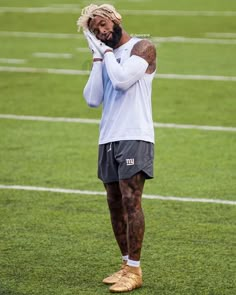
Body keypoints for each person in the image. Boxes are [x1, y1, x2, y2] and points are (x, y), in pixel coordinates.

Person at [77, 3, 156, 293]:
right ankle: (125, 264)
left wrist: (106, 52)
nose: (101, 30)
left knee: (131, 199)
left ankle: (135, 270)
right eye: (94, 29)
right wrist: (98, 59)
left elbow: (123, 81)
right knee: (114, 202)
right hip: (108, 137)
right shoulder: (104, 55)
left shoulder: (143, 47)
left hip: (135, 134)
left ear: (115, 19)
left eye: (102, 23)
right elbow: (92, 99)